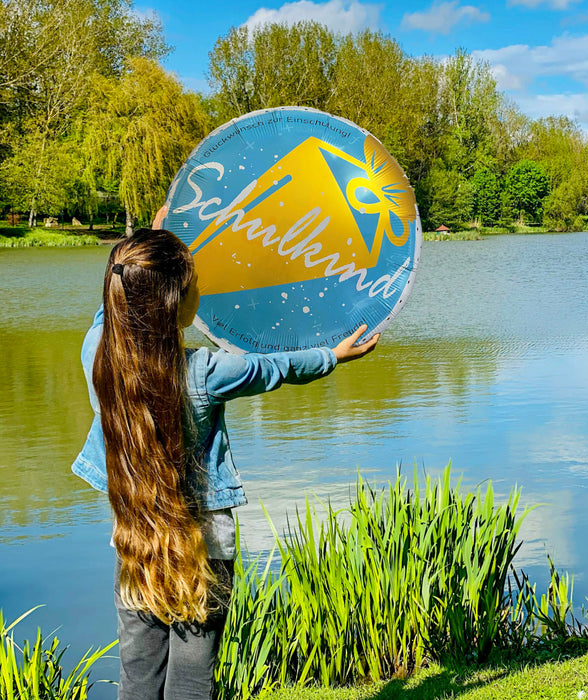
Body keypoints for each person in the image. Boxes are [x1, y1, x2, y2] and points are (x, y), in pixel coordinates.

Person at [71, 227, 379, 700]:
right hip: (204, 545)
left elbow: (111, 310)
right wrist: (332, 356)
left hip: (137, 541)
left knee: (138, 672)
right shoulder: (205, 371)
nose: (199, 290)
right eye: (193, 283)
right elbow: (275, 367)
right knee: (193, 677)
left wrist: (139, 255)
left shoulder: (97, 356)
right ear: (175, 301)